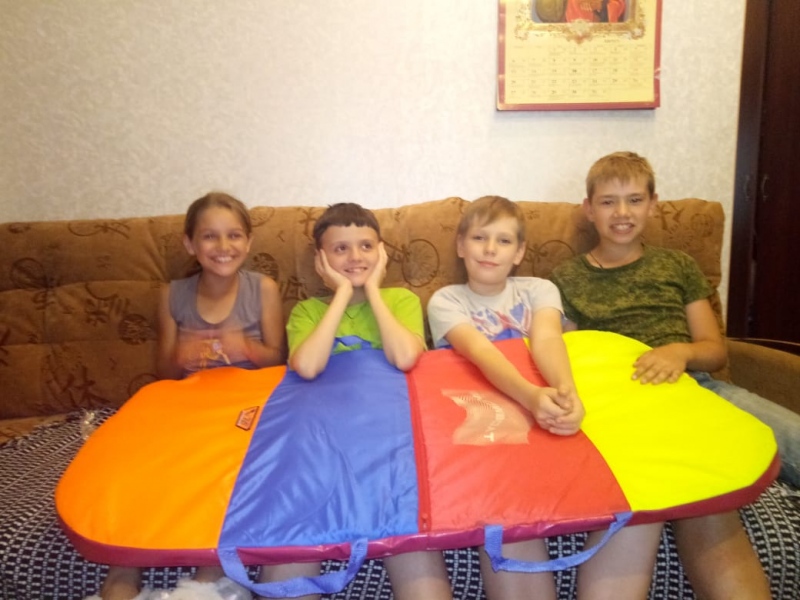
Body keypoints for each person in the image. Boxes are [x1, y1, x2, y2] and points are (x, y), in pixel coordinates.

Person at [550, 151, 788, 599]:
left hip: (698, 387)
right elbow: (567, 357)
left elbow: (714, 350)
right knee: (699, 493)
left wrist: (681, 352)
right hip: (627, 404)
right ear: (588, 209)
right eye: (608, 202)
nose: (622, 213)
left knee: (789, 435)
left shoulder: (678, 266)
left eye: (635, 199)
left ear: (653, 205)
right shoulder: (565, 279)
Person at [427, 195, 663, 600]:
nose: (490, 249)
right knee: (506, 496)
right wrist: (531, 397)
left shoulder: (539, 289)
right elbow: (480, 353)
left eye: (503, 241)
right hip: (489, 418)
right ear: (461, 245)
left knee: (639, 481)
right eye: (480, 238)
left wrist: (566, 394)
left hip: (544, 405)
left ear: (519, 252)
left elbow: (549, 339)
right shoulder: (446, 300)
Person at [97, 192, 286, 600]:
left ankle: (208, 579)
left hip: (244, 405)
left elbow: (278, 361)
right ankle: (122, 575)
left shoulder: (263, 288)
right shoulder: (172, 294)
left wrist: (245, 348)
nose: (223, 246)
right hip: (186, 405)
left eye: (234, 235)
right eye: (209, 236)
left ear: (249, 242)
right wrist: (182, 355)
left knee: (224, 467)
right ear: (190, 244)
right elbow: (163, 374)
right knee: (144, 461)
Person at [264, 202, 452, 600]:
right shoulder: (306, 311)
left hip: (389, 443)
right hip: (323, 444)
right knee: (289, 553)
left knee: (411, 545)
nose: (355, 257)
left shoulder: (400, 301)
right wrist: (343, 294)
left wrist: (374, 292)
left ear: (381, 252)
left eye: (366, 246)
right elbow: (308, 367)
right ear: (321, 260)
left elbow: (405, 357)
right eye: (340, 249)